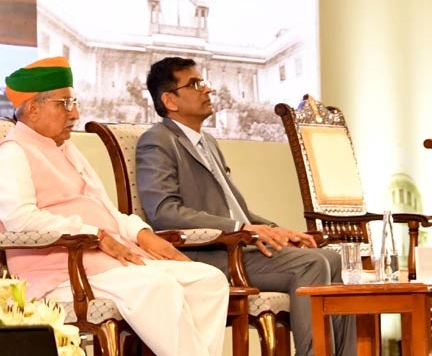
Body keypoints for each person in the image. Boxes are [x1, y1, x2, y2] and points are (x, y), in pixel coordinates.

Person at [0, 57, 229, 356]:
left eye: (74, 102)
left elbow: (107, 210)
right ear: (33, 108)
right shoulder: (12, 153)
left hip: (109, 261)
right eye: (64, 103)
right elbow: (19, 220)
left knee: (207, 281)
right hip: (60, 270)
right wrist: (94, 234)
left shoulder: (67, 148)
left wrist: (142, 234)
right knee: (155, 286)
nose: (75, 113)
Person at [135, 56, 356, 356]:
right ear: (169, 100)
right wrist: (241, 229)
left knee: (330, 258)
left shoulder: (208, 142)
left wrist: (278, 231)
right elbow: (164, 213)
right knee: (311, 265)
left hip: (239, 246)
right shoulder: (157, 141)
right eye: (195, 84)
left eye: (204, 81)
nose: (208, 89)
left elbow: (237, 210)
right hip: (207, 254)